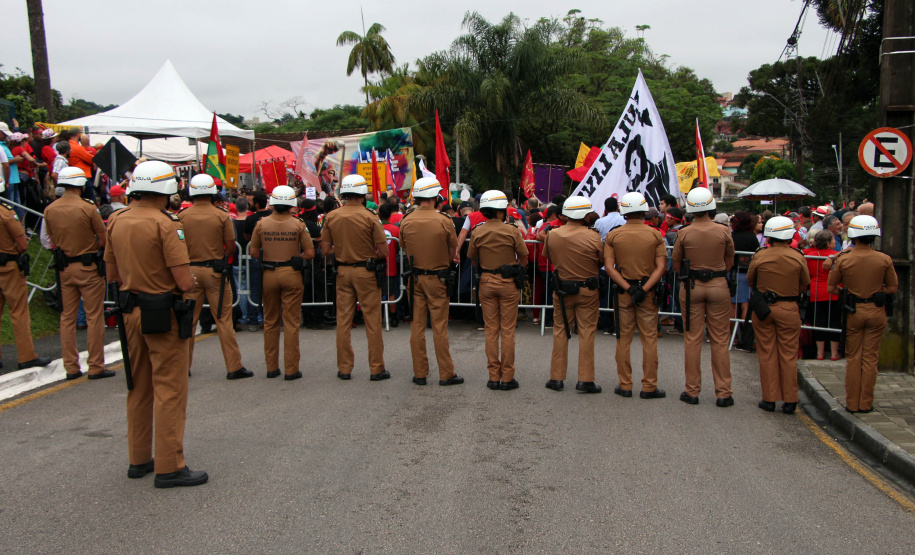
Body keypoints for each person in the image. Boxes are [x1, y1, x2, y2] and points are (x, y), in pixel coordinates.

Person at [104, 160, 207, 488]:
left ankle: (139, 458)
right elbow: (184, 281)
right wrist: (187, 279)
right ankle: (169, 465)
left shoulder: (116, 220)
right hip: (162, 312)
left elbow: (112, 275)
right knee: (170, 388)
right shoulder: (167, 224)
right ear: (166, 190)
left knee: (138, 385)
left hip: (129, 309)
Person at [178, 174, 252, 381]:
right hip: (215, 270)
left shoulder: (182, 216)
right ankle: (233, 366)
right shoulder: (221, 216)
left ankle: (183, 366)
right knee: (224, 319)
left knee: (188, 321)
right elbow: (230, 247)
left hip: (190, 271)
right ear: (212, 193)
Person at [43, 167, 111, 381]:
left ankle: (71, 367)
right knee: (94, 317)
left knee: (67, 318)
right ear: (81, 184)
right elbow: (103, 238)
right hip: (89, 266)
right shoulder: (88, 208)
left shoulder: (50, 209)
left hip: (65, 269)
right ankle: (95, 366)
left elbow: (49, 240)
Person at [826, 215, 897, 414]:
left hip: (853, 311)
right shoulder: (884, 259)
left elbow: (831, 287)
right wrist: (877, 291)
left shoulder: (844, 259)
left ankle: (852, 403)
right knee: (870, 358)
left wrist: (846, 294)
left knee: (853, 358)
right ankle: (866, 403)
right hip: (876, 310)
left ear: (854, 236)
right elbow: (892, 287)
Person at [671, 188, 735, 407]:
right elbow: (730, 261)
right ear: (711, 207)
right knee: (719, 339)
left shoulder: (684, 232)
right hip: (718, 284)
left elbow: (676, 262)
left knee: (692, 338)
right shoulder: (723, 231)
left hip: (691, 286)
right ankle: (724, 392)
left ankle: (692, 390)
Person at [321, 174, 389, 380]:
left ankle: (344, 369)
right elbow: (384, 251)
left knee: (343, 321)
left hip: (342, 272)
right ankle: (376, 369)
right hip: (366, 272)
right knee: (372, 321)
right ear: (362, 194)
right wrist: (369, 254)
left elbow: (325, 250)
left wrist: (343, 251)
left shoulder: (331, 216)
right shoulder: (370, 216)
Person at [399, 177, 463, 386]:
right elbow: (452, 251)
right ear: (436, 198)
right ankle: (446, 373)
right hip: (438, 278)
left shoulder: (406, 220)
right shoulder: (444, 220)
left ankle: (420, 373)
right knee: (439, 326)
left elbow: (404, 247)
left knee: (417, 326)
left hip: (415, 278)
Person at [604, 191, 667, 399]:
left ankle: (625, 384)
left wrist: (629, 288)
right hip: (647, 293)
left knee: (623, 339)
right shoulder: (655, 234)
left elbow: (609, 267)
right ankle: (649, 386)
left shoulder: (614, 235)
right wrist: (644, 288)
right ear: (643, 211)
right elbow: (660, 267)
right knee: (649, 339)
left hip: (623, 291)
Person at [746, 216, 811, 414]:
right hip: (789, 306)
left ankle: (769, 399)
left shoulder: (759, 255)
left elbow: (751, 281)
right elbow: (804, 284)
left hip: (764, 308)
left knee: (766, 354)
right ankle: (790, 400)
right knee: (789, 355)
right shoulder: (798, 256)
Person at [250, 185, 315, 380]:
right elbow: (310, 253)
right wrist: (298, 258)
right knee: (291, 323)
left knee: (270, 322)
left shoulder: (262, 223)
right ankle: (291, 369)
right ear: (292, 204)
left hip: (268, 273)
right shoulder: (298, 224)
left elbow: (253, 252)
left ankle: (271, 368)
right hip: (291, 273)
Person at [467, 191, 528, 390]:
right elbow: (524, 257)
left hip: (486, 281)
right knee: (508, 331)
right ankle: (507, 377)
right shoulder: (512, 231)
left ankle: (493, 376)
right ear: (502, 210)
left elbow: (473, 259)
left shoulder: (477, 230)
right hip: (508, 281)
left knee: (491, 330)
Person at [542, 196, 603, 393]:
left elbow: (548, 257)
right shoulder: (593, 236)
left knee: (560, 331)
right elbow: (600, 261)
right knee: (586, 333)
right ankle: (585, 380)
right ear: (585, 214)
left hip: (562, 289)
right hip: (588, 290)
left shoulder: (553, 234)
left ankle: (556, 378)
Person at [803, 229, 842, 360]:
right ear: (828, 243)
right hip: (834, 292)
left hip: (816, 292)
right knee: (834, 322)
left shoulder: (809, 255)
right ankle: (834, 353)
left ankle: (820, 353)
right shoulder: (837, 255)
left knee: (818, 322)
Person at [243, 191, 271, 331]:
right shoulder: (272, 217)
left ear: (257, 204)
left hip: (257, 258)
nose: (250, 204)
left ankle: (254, 320)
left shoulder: (251, 219)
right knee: (270, 289)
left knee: (255, 289)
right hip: (269, 257)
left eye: (252, 201)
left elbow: (246, 237)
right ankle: (269, 319)